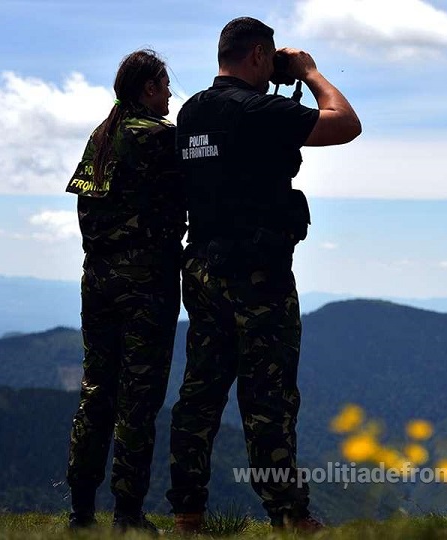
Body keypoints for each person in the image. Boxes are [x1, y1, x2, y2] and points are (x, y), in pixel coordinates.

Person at [166, 17, 361, 533]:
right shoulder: (258, 111)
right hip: (258, 276)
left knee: (200, 392)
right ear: (258, 56)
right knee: (268, 398)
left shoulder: (192, 112)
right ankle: (289, 515)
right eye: (268, 57)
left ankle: (187, 510)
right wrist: (311, 72)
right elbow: (344, 123)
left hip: (203, 268)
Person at [64, 49, 185, 533]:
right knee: (139, 397)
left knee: (96, 393)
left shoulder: (100, 138)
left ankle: (80, 510)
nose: (171, 94)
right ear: (148, 89)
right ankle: (128, 513)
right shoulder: (160, 139)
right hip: (147, 285)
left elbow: (85, 209)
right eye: (164, 85)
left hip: (97, 281)